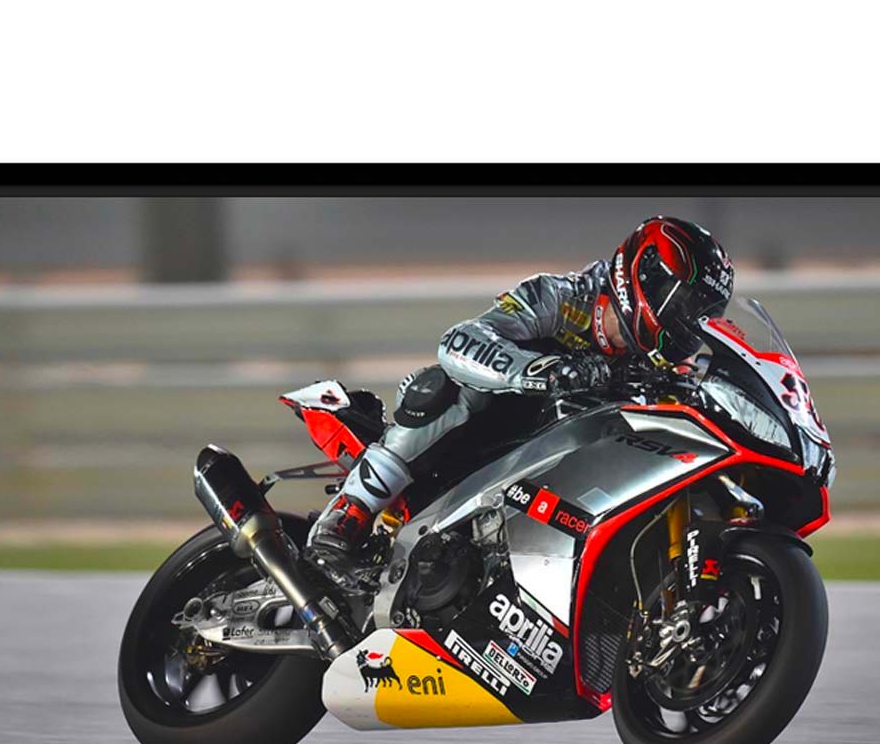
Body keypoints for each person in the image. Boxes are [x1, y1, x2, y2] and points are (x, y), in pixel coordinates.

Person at [307, 216, 736, 571]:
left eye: (699, 315)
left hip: (566, 474)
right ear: (644, 276)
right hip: (485, 440)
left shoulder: (665, 367)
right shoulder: (562, 297)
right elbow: (459, 341)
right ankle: (351, 511)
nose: (687, 324)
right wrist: (543, 371)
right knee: (444, 388)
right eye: (683, 305)